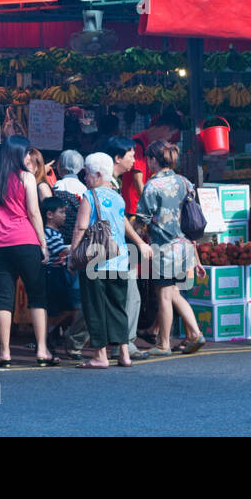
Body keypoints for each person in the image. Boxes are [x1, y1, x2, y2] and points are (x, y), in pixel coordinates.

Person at [0, 136, 60, 367]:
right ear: (17, 154)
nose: (29, 157)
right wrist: (43, 244)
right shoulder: (25, 177)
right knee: (37, 295)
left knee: (3, 298)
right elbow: (34, 213)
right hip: (25, 241)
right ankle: (42, 350)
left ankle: (5, 353)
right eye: (26, 153)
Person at [73, 152, 152, 369]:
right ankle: (124, 353)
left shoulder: (90, 197)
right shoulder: (118, 197)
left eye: (87, 175)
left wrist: (73, 252)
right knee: (118, 308)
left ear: (97, 174)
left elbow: (80, 227)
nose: (86, 179)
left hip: (94, 262)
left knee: (95, 308)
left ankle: (100, 355)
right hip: (118, 261)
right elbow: (123, 224)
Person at [135, 141, 207, 355]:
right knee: (175, 292)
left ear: (153, 160)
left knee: (164, 295)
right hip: (184, 246)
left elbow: (142, 219)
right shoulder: (185, 182)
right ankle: (195, 333)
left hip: (164, 248)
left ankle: (163, 344)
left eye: (148, 159)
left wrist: (134, 232)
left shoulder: (153, 186)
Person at [105, 135, 151, 354]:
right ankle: (123, 343)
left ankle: (120, 343)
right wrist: (140, 241)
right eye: (131, 156)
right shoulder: (108, 184)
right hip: (113, 249)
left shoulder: (114, 181)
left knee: (119, 296)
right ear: (117, 158)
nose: (134, 160)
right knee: (128, 296)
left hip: (113, 249)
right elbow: (120, 218)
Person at [41, 195, 82, 353]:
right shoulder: (48, 233)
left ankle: (51, 330)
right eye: (61, 212)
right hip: (53, 274)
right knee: (61, 307)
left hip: (59, 273)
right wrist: (80, 246)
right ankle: (48, 331)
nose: (65, 216)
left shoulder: (56, 233)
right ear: (50, 215)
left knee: (68, 307)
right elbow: (63, 250)